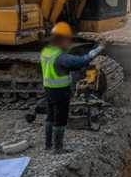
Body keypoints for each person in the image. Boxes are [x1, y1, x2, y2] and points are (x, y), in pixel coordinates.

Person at [39, 23, 102, 153]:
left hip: (49, 89)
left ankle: (48, 145)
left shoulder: (46, 52)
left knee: (50, 116)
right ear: (61, 39)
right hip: (60, 91)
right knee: (60, 118)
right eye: (67, 39)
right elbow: (81, 61)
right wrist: (97, 50)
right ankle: (58, 148)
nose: (69, 42)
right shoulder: (60, 56)